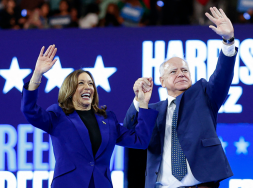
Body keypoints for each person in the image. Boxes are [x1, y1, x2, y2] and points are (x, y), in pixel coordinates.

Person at [124, 7, 237, 188]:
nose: (181, 74)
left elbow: (222, 76)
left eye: (185, 70)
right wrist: (139, 101)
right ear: (161, 81)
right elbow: (129, 132)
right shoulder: (151, 110)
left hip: (202, 184)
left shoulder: (204, 95)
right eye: (174, 71)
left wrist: (228, 41)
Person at [21, 44, 158, 188]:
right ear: (70, 89)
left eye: (91, 83)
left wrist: (143, 103)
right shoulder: (57, 115)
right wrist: (37, 74)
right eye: (81, 83)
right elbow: (29, 110)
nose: (88, 87)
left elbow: (140, 141)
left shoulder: (108, 119)